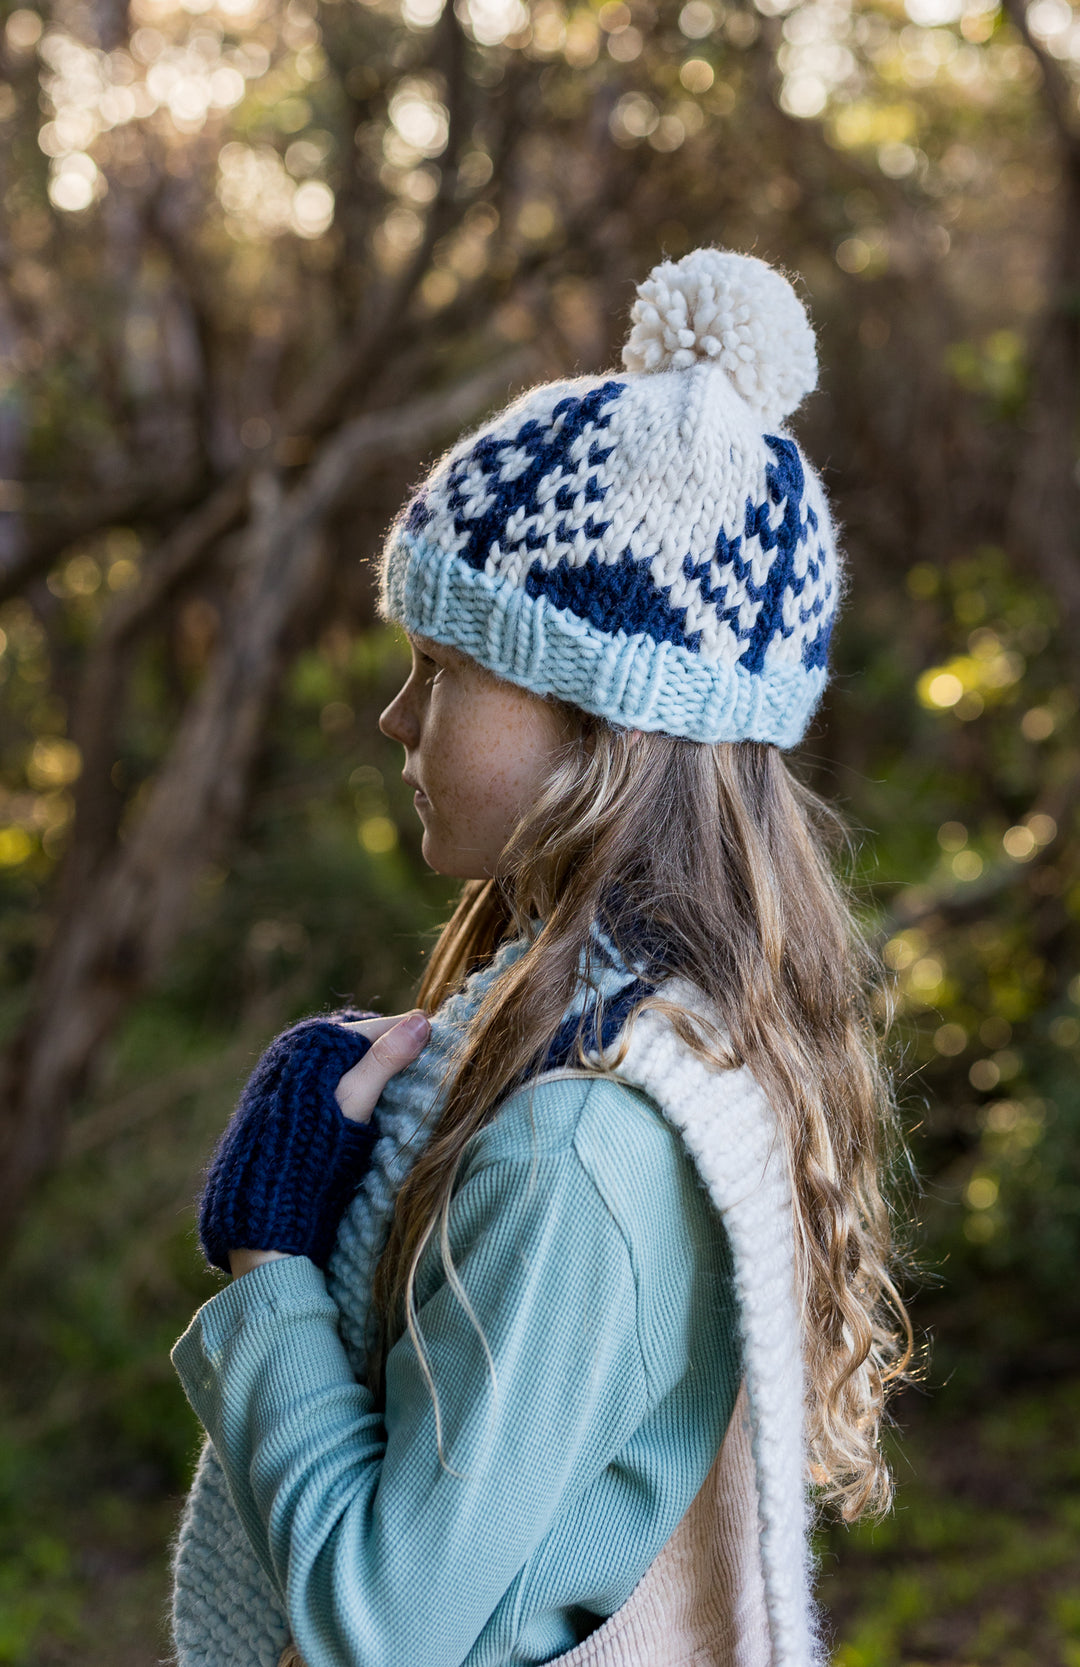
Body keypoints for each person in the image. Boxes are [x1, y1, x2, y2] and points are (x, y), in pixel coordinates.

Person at [171, 246, 912, 1667]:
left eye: (444, 670)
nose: (397, 717)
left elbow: (378, 1630)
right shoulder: (668, 1042)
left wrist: (274, 1252)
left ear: (599, 719)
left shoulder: (576, 1145)